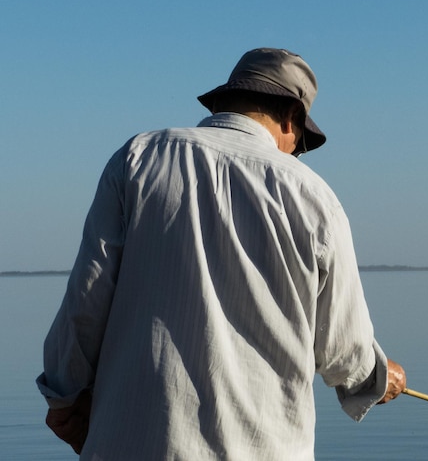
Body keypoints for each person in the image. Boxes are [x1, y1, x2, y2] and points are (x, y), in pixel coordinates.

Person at [36, 47, 406, 460]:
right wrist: (375, 377)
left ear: (224, 103)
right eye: (298, 143)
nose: (294, 153)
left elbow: (84, 304)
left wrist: (63, 397)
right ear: (291, 118)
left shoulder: (137, 160)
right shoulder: (315, 198)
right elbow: (342, 349)